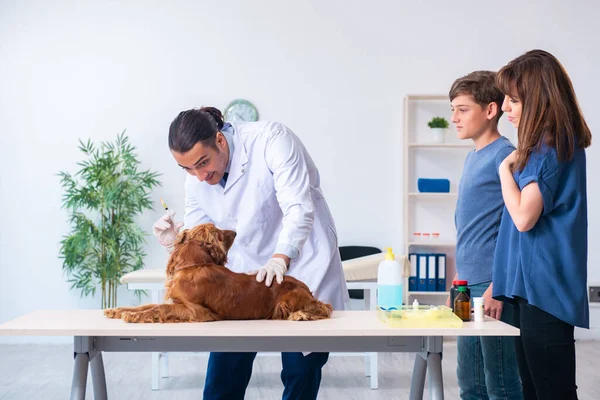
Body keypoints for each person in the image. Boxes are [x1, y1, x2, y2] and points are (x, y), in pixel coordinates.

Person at [152, 107, 348, 400]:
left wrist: (281, 257)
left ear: (219, 140)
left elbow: (298, 207)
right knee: (223, 376)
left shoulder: (272, 140)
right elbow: (199, 234)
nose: (199, 175)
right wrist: (176, 243)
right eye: (188, 169)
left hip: (302, 263)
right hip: (243, 277)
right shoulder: (196, 177)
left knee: (300, 372)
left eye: (203, 163)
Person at [493, 49, 592, 400]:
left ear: (538, 100)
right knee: (536, 391)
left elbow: (523, 217)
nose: (505, 107)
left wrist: (504, 170)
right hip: (531, 291)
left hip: (544, 293)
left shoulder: (551, 147)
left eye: (514, 99)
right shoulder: (543, 147)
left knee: (552, 392)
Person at [449, 71, 523, 399]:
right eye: (453, 109)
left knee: (501, 384)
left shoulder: (505, 156)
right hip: (468, 284)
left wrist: (498, 285)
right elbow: (472, 222)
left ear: (490, 111)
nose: (454, 118)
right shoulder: (473, 156)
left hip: (491, 286)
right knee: (470, 382)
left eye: (463, 109)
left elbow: (515, 228)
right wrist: (459, 273)